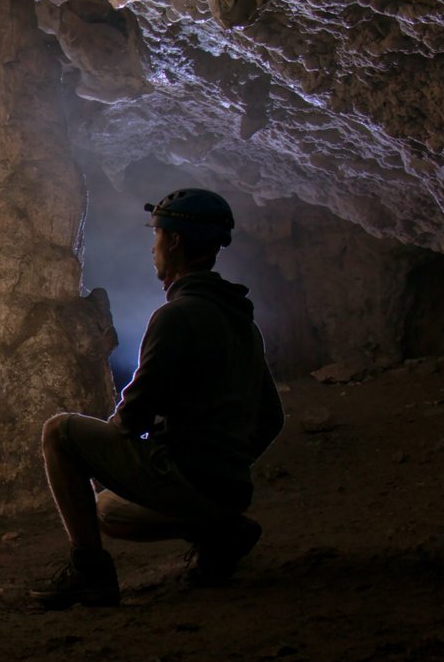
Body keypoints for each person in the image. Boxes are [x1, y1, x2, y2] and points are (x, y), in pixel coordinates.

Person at [30, 188, 285, 609]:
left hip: (187, 477)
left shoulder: (176, 317)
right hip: (228, 487)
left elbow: (135, 415)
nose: (153, 249)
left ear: (175, 241)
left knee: (61, 433)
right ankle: (220, 532)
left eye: (157, 238)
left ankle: (90, 571)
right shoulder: (241, 323)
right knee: (109, 511)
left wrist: (104, 454)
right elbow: (271, 417)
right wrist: (227, 462)